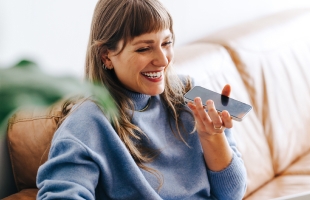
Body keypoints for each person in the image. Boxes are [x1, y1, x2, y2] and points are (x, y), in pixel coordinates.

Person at [36, 0, 247, 199]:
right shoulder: (87, 124)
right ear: (106, 56)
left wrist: (212, 138)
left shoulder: (189, 92)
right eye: (144, 48)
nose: (163, 60)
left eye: (167, 43)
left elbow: (232, 194)